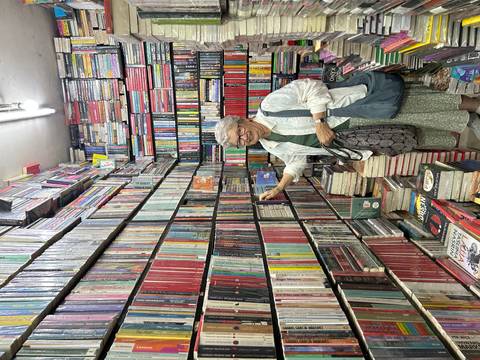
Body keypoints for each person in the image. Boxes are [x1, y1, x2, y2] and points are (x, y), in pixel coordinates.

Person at [214, 74, 480, 200]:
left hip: (353, 111)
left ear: (242, 120)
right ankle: (469, 122)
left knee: (418, 106)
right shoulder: (269, 144)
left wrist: (318, 122)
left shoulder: (270, 105)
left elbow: (312, 87)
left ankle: (473, 106)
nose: (243, 137)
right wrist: (280, 186)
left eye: (238, 131)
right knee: (412, 135)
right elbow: (295, 160)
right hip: (355, 138)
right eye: (238, 141)